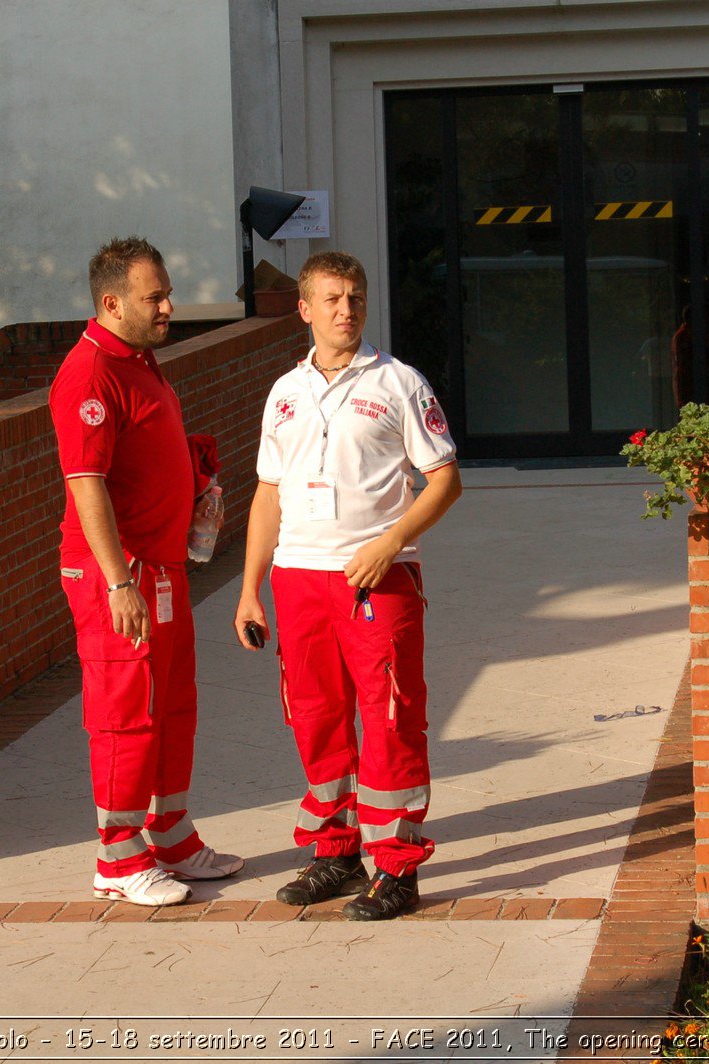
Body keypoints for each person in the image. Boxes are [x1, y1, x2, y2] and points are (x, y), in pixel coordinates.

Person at [234, 251, 462, 921]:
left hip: (378, 581)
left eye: (355, 297)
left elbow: (445, 479)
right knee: (314, 715)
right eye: (331, 298)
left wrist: (390, 542)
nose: (346, 308)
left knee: (391, 719)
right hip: (298, 579)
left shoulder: (400, 383)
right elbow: (267, 496)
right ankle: (335, 853)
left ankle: (397, 866)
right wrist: (250, 588)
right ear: (304, 308)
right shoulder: (284, 392)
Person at [47, 236, 243, 907]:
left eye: (165, 291)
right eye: (153, 296)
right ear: (111, 302)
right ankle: (119, 855)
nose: (168, 305)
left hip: (160, 567)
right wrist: (117, 581)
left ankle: (170, 834)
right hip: (119, 574)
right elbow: (86, 483)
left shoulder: (139, 361)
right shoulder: (90, 374)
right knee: (125, 709)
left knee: (173, 703)